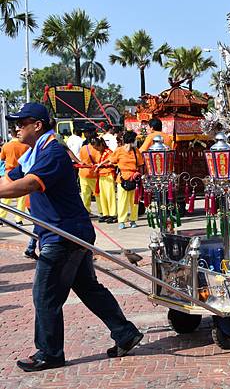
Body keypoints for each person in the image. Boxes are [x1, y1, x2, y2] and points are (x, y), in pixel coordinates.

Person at [0, 103, 142, 372]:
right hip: (66, 230)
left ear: (38, 125)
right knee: (88, 288)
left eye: (22, 122)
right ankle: (125, 333)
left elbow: (29, 185)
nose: (16, 126)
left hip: (63, 234)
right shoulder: (34, 153)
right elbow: (9, 181)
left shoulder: (52, 151)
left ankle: (50, 353)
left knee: (45, 295)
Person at [98, 131, 143, 229]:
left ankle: (133, 220)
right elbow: (111, 159)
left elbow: (140, 164)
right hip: (122, 178)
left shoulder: (136, 151)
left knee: (134, 201)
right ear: (132, 140)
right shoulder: (119, 150)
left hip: (134, 178)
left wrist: (141, 176)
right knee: (122, 200)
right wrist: (100, 164)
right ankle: (122, 221)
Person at [0, 125, 30, 225]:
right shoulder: (25, 146)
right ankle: (19, 219)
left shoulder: (6, 146)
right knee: (22, 197)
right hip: (22, 171)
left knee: (6, 197)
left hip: (9, 172)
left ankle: (1, 217)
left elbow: (2, 158)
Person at [90, 137, 117, 223]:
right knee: (103, 196)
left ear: (101, 145)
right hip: (101, 175)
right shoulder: (99, 153)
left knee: (110, 195)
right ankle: (106, 213)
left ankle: (113, 214)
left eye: (97, 147)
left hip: (108, 175)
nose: (96, 149)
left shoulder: (109, 152)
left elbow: (112, 161)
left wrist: (103, 164)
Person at [78, 135, 102, 217]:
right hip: (93, 174)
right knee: (97, 193)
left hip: (82, 173)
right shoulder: (96, 149)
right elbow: (98, 160)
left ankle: (86, 210)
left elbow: (81, 159)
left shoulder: (83, 148)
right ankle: (101, 210)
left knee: (85, 193)